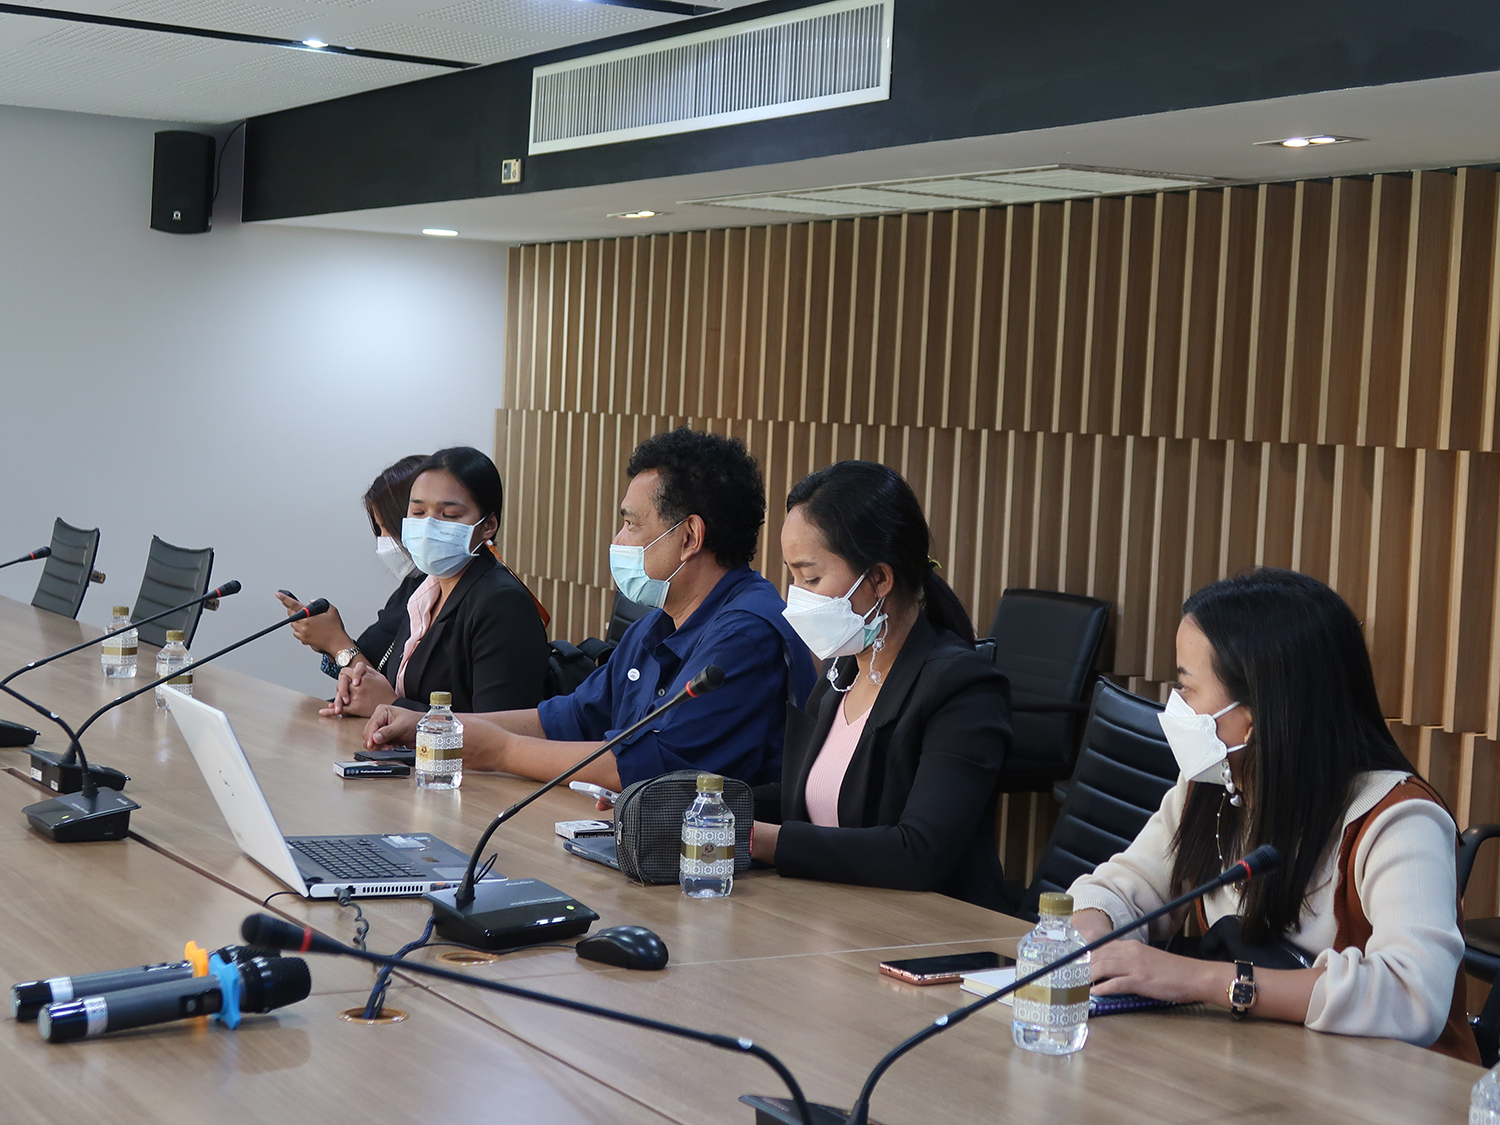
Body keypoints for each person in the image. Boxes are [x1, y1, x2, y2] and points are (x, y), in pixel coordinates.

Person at [1070, 568, 1476, 1061]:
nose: (1176, 705)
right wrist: (1093, 935)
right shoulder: (1213, 786)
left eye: (1187, 687)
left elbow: (1412, 997)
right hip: (1256, 1067)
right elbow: (1122, 889)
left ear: (1255, 715)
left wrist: (1200, 979)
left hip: (1384, 1086)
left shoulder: (1400, 821)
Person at [361, 427, 817, 789]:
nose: (617, 540)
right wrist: (435, 725)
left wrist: (501, 751)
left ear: (689, 538)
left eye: (630, 524)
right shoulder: (659, 623)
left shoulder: (745, 634)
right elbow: (573, 717)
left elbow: (650, 766)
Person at [748, 461, 1012, 911]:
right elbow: (814, 797)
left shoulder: (963, 688)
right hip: (835, 915)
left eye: (810, 578)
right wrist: (700, 801)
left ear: (879, 579)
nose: (797, 596)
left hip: (929, 933)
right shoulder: (841, 672)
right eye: (793, 576)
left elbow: (919, 852)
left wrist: (757, 839)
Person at [326, 446, 550, 718]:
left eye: (449, 515)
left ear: (488, 525)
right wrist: (361, 685)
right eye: (418, 512)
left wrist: (392, 706)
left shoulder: (502, 602)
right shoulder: (424, 591)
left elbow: (500, 730)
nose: (429, 526)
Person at [276, 455, 427, 682]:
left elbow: (385, 693)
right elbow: (372, 663)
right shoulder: (411, 588)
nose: (382, 540)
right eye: (379, 530)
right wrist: (325, 638)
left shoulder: (443, 600)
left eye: (386, 528)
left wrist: (334, 641)